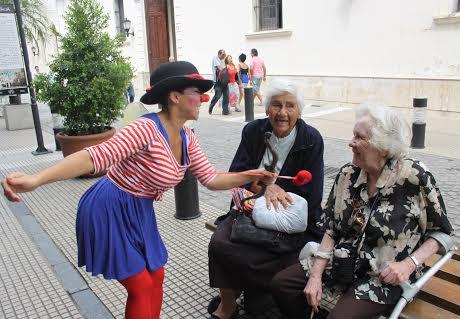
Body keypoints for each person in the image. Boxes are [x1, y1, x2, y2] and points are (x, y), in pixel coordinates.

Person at [1, 61, 273, 319]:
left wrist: (249, 177)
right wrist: (36, 180)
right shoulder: (146, 129)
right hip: (109, 206)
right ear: (175, 96)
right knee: (141, 285)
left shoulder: (188, 138)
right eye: (196, 93)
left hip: (139, 211)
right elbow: (93, 157)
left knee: (156, 275)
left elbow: (211, 179)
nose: (203, 99)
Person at [271, 104, 454, 319]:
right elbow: (331, 228)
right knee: (281, 285)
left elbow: (441, 233)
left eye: (359, 137)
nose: (350, 142)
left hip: (383, 277)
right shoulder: (348, 175)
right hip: (341, 262)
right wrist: (316, 274)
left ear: (383, 147)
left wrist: (408, 265)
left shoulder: (414, 177)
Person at [208, 79, 325, 319]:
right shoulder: (253, 131)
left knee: (268, 251)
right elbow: (236, 174)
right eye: (276, 105)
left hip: (290, 218)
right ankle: (228, 305)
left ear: (299, 111)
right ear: (266, 108)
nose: (282, 113)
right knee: (219, 241)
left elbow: (312, 195)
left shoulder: (311, 139)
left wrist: (281, 191)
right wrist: (263, 188)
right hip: (250, 208)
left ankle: (257, 294)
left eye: (290, 106)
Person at [209, 49, 230, 115]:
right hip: (218, 81)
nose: (224, 56)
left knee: (226, 96)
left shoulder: (224, 60)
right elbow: (219, 68)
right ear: (219, 54)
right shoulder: (215, 58)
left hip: (225, 81)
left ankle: (225, 111)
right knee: (217, 96)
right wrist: (226, 69)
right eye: (223, 54)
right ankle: (211, 106)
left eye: (225, 54)